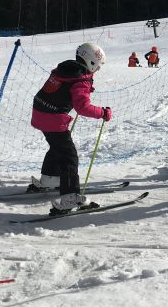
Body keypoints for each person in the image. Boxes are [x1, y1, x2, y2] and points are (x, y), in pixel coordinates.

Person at [30, 42, 112, 213]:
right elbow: (83, 108)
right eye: (98, 66)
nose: (98, 70)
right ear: (91, 62)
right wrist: (103, 113)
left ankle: (49, 178)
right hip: (52, 119)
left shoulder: (65, 70)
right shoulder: (80, 79)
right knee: (69, 157)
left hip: (40, 112)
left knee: (57, 147)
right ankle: (70, 197)